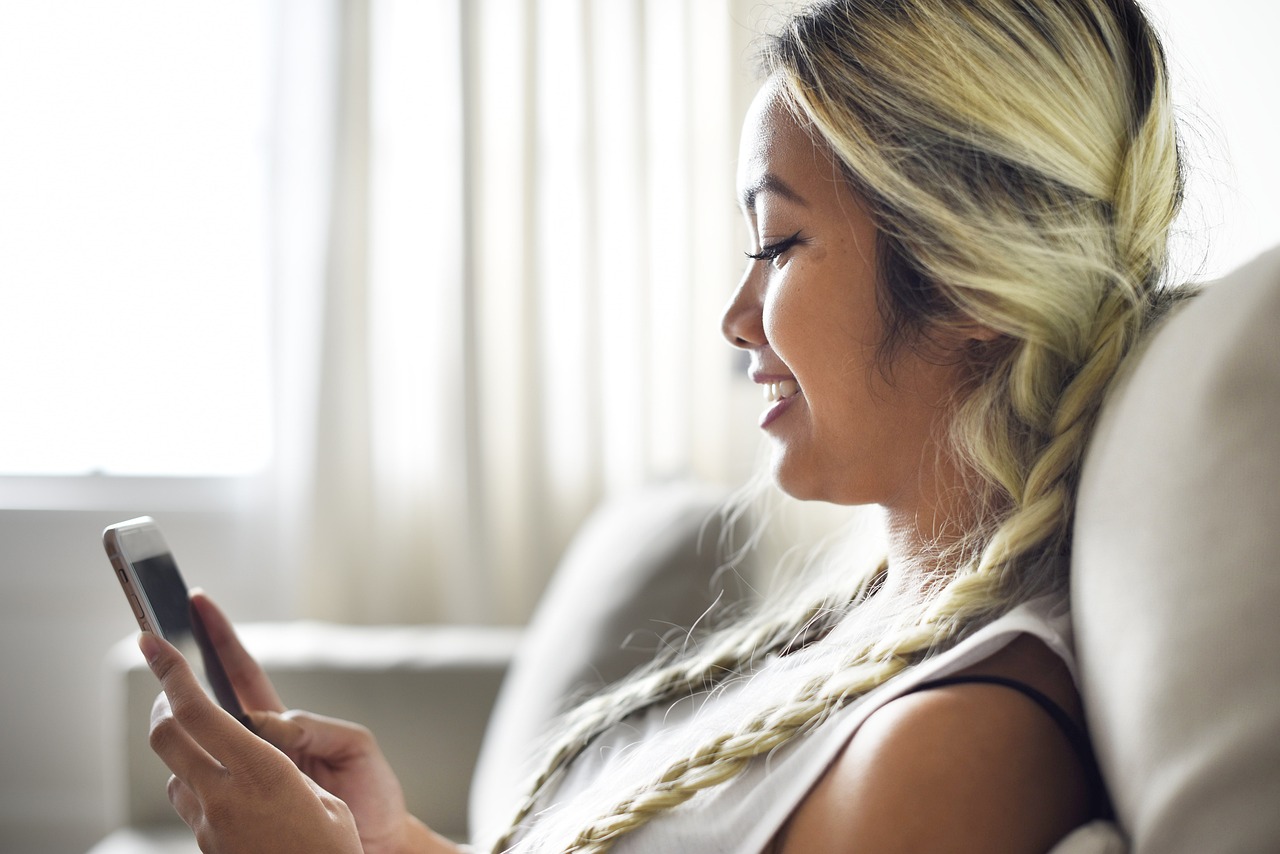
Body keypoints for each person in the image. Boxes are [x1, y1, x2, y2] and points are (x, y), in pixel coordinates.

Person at [138, 0, 1188, 851]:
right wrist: (391, 839)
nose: (736, 318)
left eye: (777, 244)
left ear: (966, 276)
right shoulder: (878, 626)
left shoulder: (956, 746)